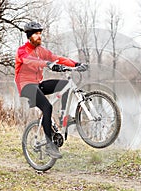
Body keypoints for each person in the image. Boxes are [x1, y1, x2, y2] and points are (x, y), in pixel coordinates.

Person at [15, 21, 87, 159]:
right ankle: (49, 145)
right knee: (47, 107)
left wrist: (76, 64)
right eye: (36, 34)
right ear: (29, 36)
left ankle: (62, 116)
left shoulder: (41, 51)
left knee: (65, 85)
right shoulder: (22, 51)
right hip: (26, 86)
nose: (39, 36)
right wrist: (47, 64)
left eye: (40, 34)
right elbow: (30, 61)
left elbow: (57, 58)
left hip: (38, 84)